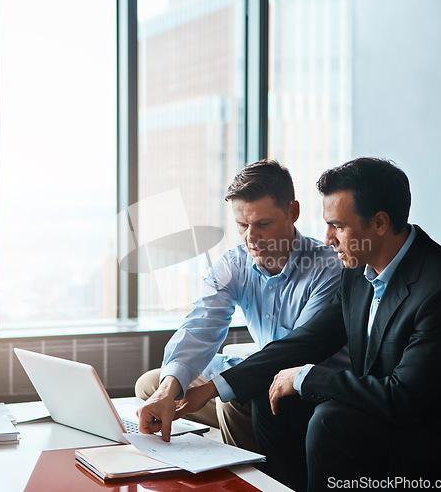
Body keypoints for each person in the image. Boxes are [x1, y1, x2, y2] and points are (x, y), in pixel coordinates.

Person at [157, 158, 441, 491]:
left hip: (425, 430)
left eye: (338, 226)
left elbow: (403, 398)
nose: (328, 238)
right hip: (371, 407)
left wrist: (306, 376)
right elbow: (305, 342)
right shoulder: (358, 273)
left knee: (329, 419)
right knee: (272, 398)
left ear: (379, 223)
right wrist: (215, 387)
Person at [135, 159, 348, 452]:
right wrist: (167, 389)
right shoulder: (234, 264)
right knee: (153, 386)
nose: (250, 238)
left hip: (303, 388)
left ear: (293, 212)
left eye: (262, 224)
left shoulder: (327, 268)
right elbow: (201, 327)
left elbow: (294, 353)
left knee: (232, 400)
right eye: (241, 225)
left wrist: (217, 388)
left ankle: (255, 477)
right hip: (258, 371)